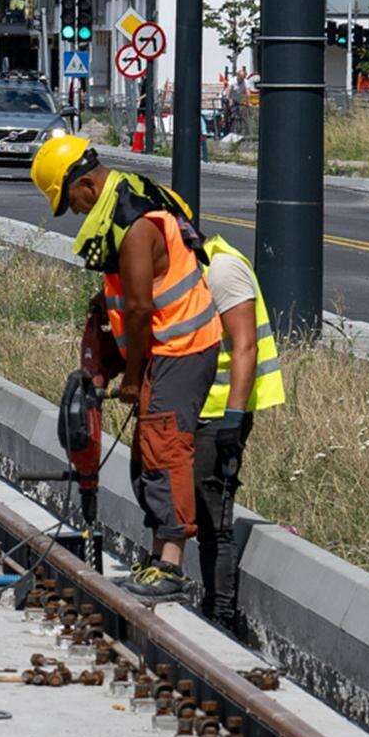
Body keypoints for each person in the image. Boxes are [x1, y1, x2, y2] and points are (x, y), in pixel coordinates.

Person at [29, 134, 220, 600]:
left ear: (87, 186)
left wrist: (131, 379)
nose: (72, 212)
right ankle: (159, 557)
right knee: (148, 453)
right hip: (163, 345)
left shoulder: (134, 224)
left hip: (180, 345)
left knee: (163, 447)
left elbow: (138, 308)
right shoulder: (124, 202)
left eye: (69, 202)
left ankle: (171, 568)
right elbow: (121, 302)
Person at [192, 232, 285, 631]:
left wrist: (232, 419)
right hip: (196, 410)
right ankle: (209, 602)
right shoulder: (192, 271)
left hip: (220, 416)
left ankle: (221, 614)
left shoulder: (222, 269)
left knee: (214, 512)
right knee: (193, 507)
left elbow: (246, 346)